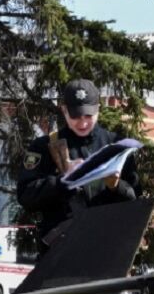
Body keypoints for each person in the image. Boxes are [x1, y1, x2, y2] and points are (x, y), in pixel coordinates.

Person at [17, 79, 140, 254]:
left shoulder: (117, 146)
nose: (82, 123)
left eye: (88, 116)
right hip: (59, 252)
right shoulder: (43, 147)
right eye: (75, 116)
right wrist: (62, 182)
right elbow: (25, 196)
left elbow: (136, 201)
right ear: (64, 110)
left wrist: (116, 186)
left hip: (107, 251)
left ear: (98, 108)